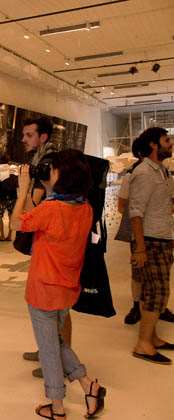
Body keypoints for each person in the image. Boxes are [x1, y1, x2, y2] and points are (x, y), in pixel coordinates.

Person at [11, 149, 106, 420]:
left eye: (52, 169)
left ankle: (57, 406)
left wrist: (22, 191)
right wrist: (41, 190)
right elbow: (36, 219)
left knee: (49, 350)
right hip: (67, 289)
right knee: (56, 340)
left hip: (43, 290)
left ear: (62, 176)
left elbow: (16, 223)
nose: (49, 172)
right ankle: (88, 386)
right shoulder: (84, 207)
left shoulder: (52, 209)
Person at [20, 117, 71, 378]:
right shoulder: (41, 159)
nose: (23, 139)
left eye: (29, 135)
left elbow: (33, 206)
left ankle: (58, 360)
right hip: (48, 238)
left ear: (43, 137)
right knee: (52, 303)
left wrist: (23, 191)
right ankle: (48, 351)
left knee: (57, 305)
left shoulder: (47, 163)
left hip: (53, 241)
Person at [128, 127, 174, 365]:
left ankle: (152, 337)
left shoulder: (162, 171)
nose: (171, 143)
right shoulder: (144, 173)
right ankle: (143, 344)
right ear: (154, 144)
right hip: (151, 241)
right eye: (167, 140)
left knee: (151, 291)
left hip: (163, 239)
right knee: (159, 292)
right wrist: (140, 248)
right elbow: (135, 212)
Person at [0, 173, 18, 241]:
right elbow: (17, 184)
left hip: (3, 197)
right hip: (13, 197)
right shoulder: (13, 172)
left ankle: (2, 235)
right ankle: (9, 236)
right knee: (11, 216)